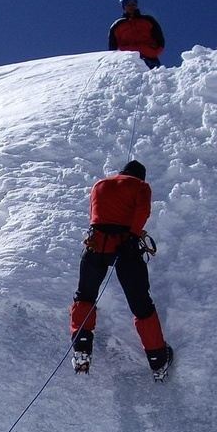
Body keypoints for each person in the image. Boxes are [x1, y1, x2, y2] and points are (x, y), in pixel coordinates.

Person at [69, 160, 173, 377]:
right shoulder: (141, 187)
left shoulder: (99, 185)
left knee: (85, 295)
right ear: (140, 177)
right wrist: (133, 235)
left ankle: (81, 348)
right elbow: (143, 211)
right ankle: (157, 359)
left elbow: (95, 215)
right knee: (141, 303)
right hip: (126, 246)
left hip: (96, 244)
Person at [108, 0, 166, 69]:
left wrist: (151, 51)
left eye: (133, 2)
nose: (131, 6)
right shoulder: (117, 25)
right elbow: (112, 51)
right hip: (127, 62)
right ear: (123, 6)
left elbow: (160, 42)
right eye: (128, 3)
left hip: (150, 59)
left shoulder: (148, 20)